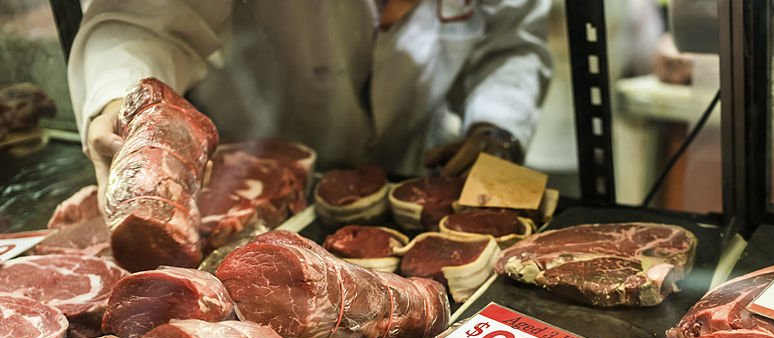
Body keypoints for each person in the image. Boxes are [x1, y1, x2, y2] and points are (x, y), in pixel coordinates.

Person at [69, 0, 552, 200]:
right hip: (248, 186)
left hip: (401, 181)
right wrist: (120, 96)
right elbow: (143, 21)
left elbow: (509, 45)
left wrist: (495, 126)